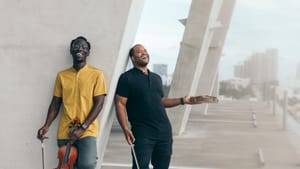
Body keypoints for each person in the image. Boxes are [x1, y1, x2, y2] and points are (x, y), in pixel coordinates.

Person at [115, 44, 218, 169]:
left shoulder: (156, 78)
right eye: (139, 52)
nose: (144, 53)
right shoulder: (127, 78)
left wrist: (183, 100)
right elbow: (120, 104)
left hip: (164, 132)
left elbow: (161, 101)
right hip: (143, 133)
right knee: (140, 166)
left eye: (145, 51)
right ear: (132, 58)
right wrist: (125, 128)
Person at [37, 36, 107, 169]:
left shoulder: (97, 74)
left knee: (87, 164)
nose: (80, 49)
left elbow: (99, 104)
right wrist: (46, 126)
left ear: (88, 52)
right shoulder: (62, 75)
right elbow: (55, 104)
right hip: (65, 131)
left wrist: (83, 128)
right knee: (66, 165)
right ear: (71, 50)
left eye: (84, 47)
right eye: (76, 46)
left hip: (87, 131)